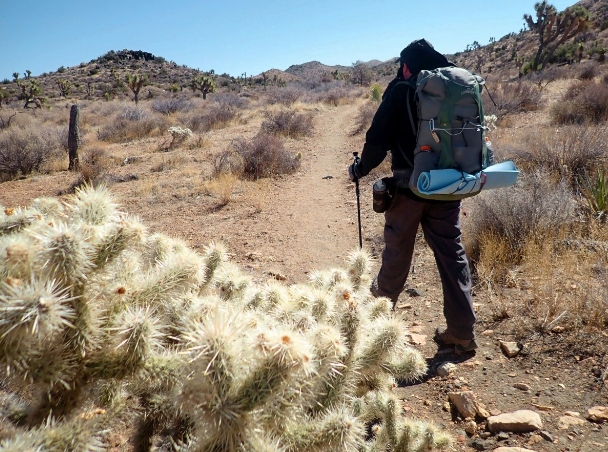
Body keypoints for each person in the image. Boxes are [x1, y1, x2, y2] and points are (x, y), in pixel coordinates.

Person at [348, 39, 478, 354]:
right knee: (452, 254)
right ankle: (462, 332)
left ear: (406, 65)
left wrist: (359, 169)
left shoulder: (401, 90)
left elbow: (376, 141)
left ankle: (378, 329)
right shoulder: (452, 92)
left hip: (409, 189)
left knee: (397, 252)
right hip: (448, 186)